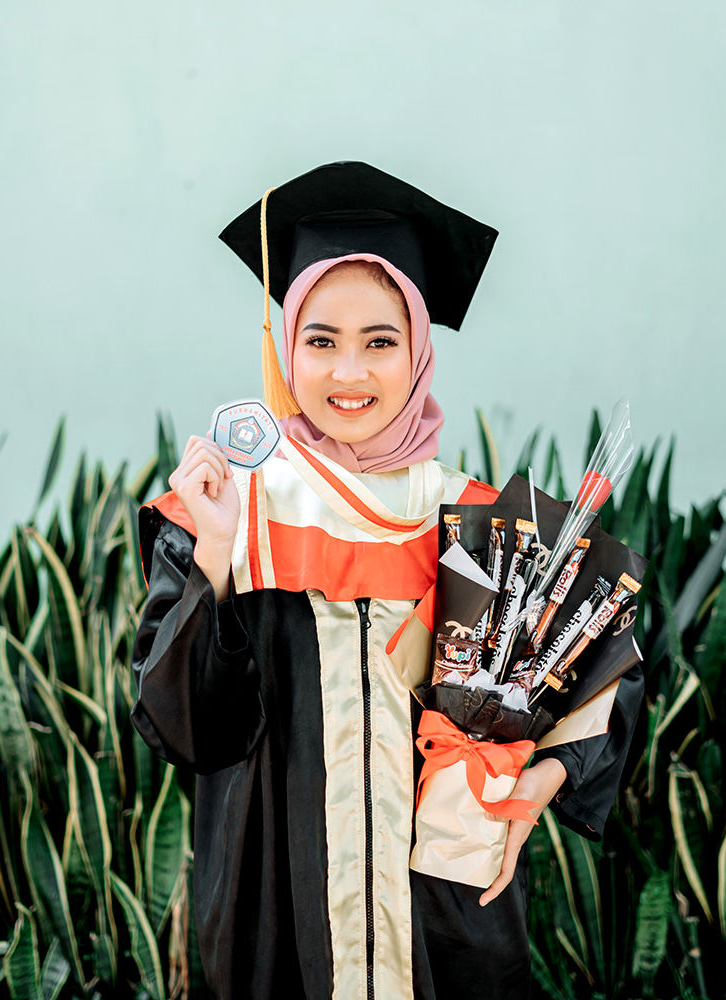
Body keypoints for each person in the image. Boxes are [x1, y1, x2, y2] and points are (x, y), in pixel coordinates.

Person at [131, 161, 643, 1000]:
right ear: (284, 346)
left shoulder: (477, 522)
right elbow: (184, 727)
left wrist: (537, 789)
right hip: (275, 917)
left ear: (419, 350)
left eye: (380, 341)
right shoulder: (227, 511)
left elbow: (606, 674)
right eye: (321, 340)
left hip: (447, 924)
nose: (349, 373)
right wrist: (218, 559)